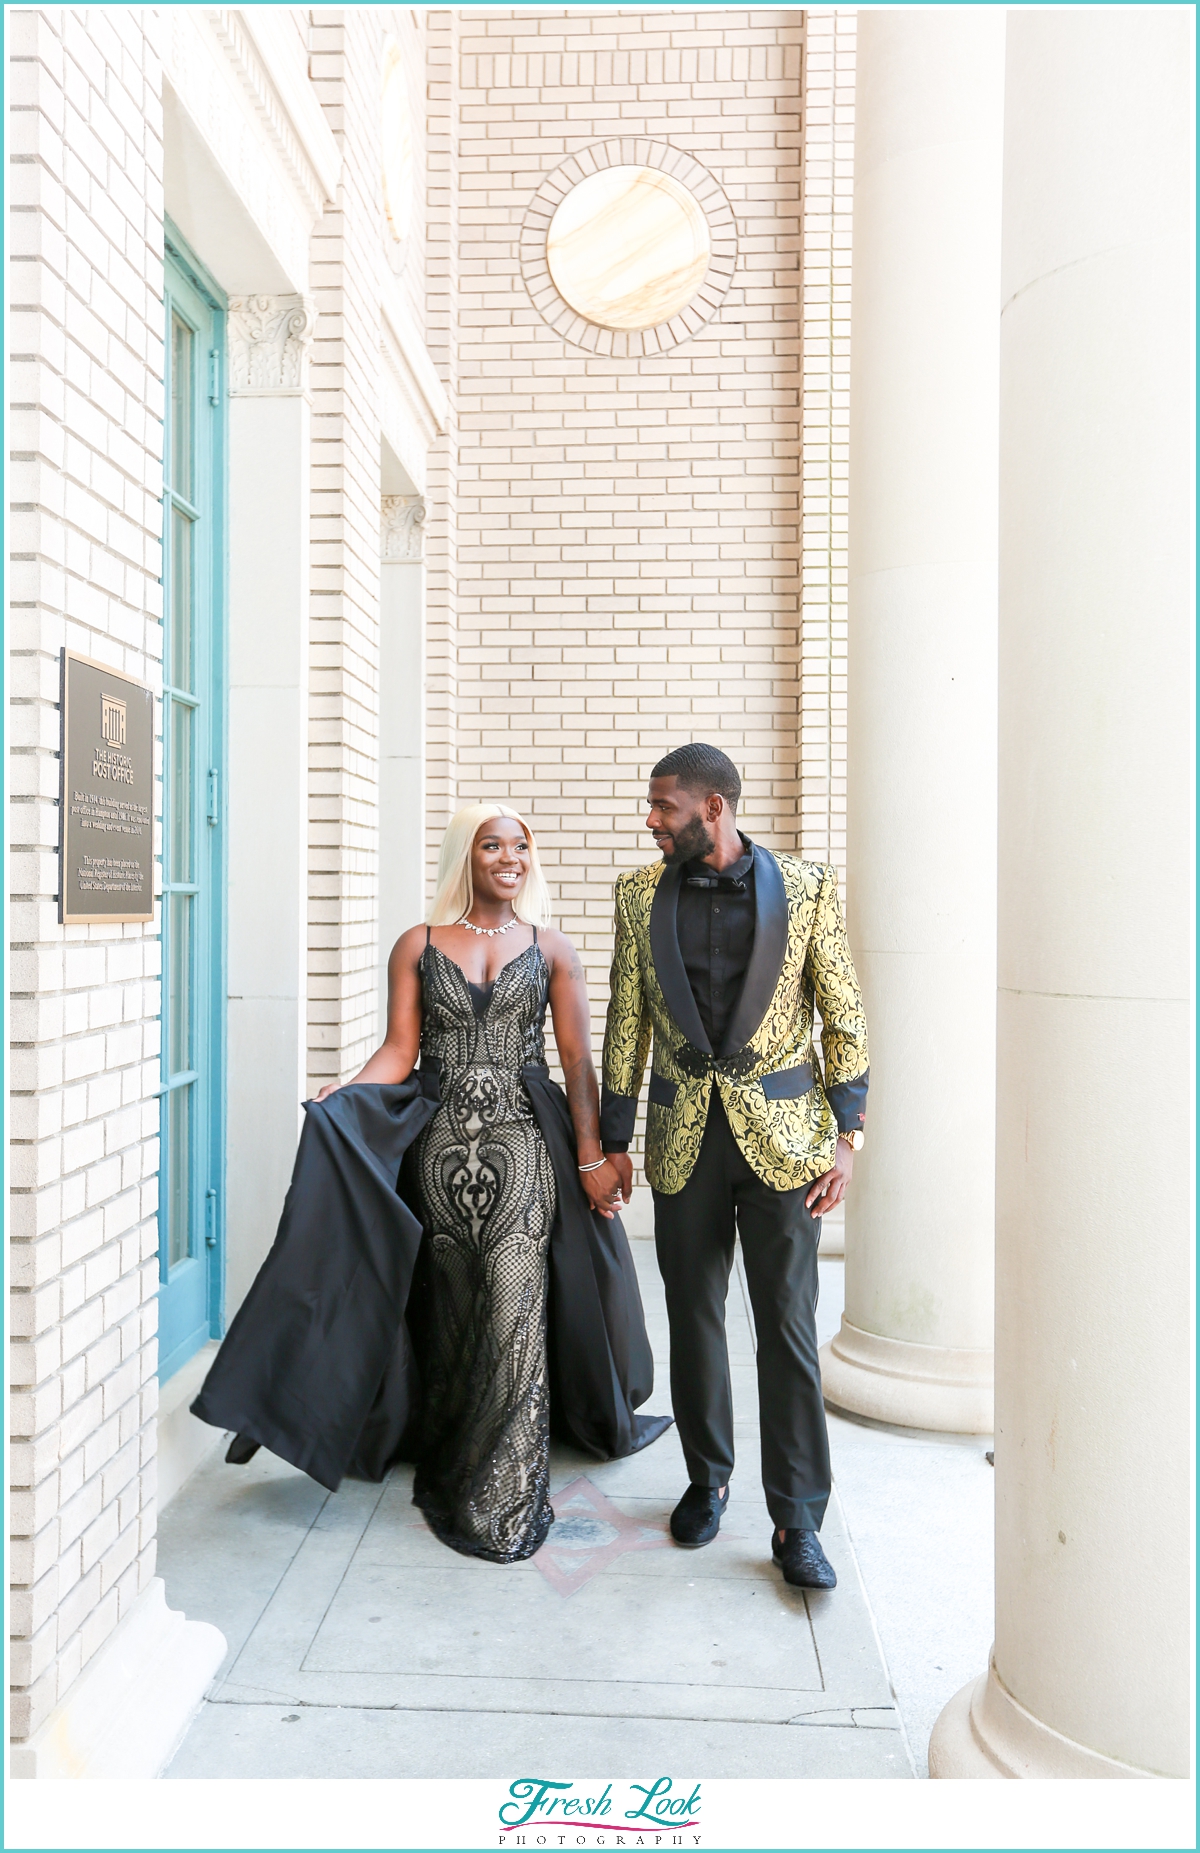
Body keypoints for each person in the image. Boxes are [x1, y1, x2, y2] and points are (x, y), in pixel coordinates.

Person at [194, 802, 668, 1566]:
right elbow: (399, 1049)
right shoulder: (416, 944)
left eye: (519, 846)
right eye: (492, 845)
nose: (509, 857)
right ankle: (453, 1437)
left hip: (522, 1145)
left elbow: (579, 1062)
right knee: (454, 1300)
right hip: (438, 1149)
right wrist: (342, 1095)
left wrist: (590, 1156)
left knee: (514, 1297)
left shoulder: (551, 948)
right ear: (466, 857)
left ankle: (505, 1484)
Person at [599, 745, 869, 1589]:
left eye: (663, 806)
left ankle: (797, 1520)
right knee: (694, 1314)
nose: (651, 819)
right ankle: (706, 1479)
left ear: (712, 808)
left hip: (788, 1146)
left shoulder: (810, 887)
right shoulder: (638, 894)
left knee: (787, 1326)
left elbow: (845, 1017)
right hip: (684, 1137)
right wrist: (612, 1141)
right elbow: (625, 1022)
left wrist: (849, 1136)